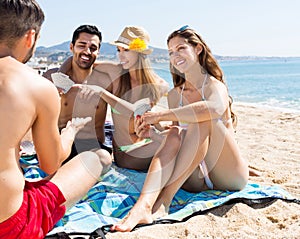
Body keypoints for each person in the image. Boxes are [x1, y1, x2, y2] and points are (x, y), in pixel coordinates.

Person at [108, 26, 249, 232]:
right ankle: (144, 206)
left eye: (181, 48)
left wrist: (160, 115)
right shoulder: (175, 95)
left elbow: (214, 108)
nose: (175, 56)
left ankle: (165, 202)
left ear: (198, 49)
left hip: (227, 174)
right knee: (174, 133)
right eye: (171, 52)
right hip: (192, 178)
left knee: (201, 120)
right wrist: (153, 135)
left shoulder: (213, 85)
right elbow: (177, 141)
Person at [0, 1, 111, 238]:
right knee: (99, 157)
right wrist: (70, 131)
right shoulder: (38, 84)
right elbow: (49, 165)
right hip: (10, 223)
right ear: (30, 37)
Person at [64, 26, 169, 170]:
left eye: (126, 50)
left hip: (145, 143)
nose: (121, 56)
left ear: (140, 53)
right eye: (118, 50)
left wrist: (161, 128)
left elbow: (139, 114)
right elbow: (79, 59)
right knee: (174, 143)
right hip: (125, 152)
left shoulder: (159, 85)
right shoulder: (116, 73)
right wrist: (60, 76)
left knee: (179, 135)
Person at [43, 25, 113, 163]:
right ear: (71, 47)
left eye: (93, 48)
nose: (87, 51)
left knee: (105, 159)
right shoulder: (52, 77)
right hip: (60, 143)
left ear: (98, 52)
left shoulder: (106, 81)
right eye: (81, 46)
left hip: (91, 147)